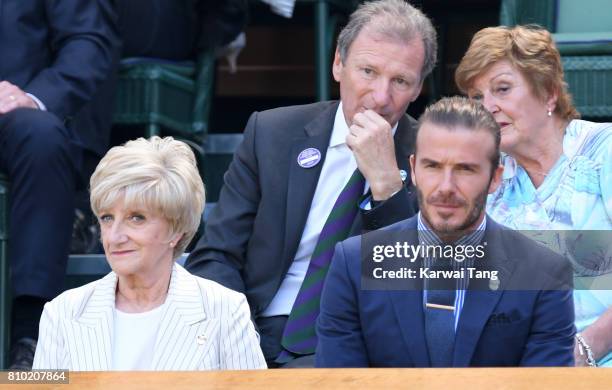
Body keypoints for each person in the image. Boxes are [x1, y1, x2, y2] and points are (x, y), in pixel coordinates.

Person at [185, 0, 437, 367]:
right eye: (368, 71)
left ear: (418, 89)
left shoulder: (434, 157)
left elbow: (421, 286)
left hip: (351, 344)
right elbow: (217, 255)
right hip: (250, 328)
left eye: (400, 81)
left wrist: (386, 186)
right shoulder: (271, 132)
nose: (381, 97)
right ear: (338, 63)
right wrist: (237, 337)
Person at [315, 96, 575, 367]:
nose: (446, 187)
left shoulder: (544, 273)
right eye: (433, 166)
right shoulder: (354, 264)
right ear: (413, 169)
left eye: (465, 169)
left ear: (495, 178)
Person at [33, 137, 266, 370]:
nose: (114, 237)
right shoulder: (63, 312)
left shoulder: (225, 309)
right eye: (107, 218)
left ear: (176, 229)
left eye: (136, 218)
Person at [455, 25, 612, 367]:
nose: (488, 107)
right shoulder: (490, 181)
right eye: (477, 97)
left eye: (503, 89)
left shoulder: (602, 151)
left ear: (549, 94)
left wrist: (585, 350)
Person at [0, 0, 120, 369]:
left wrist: (33, 98)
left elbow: (87, 40)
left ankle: (31, 330)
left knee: (43, 136)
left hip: (13, 111)